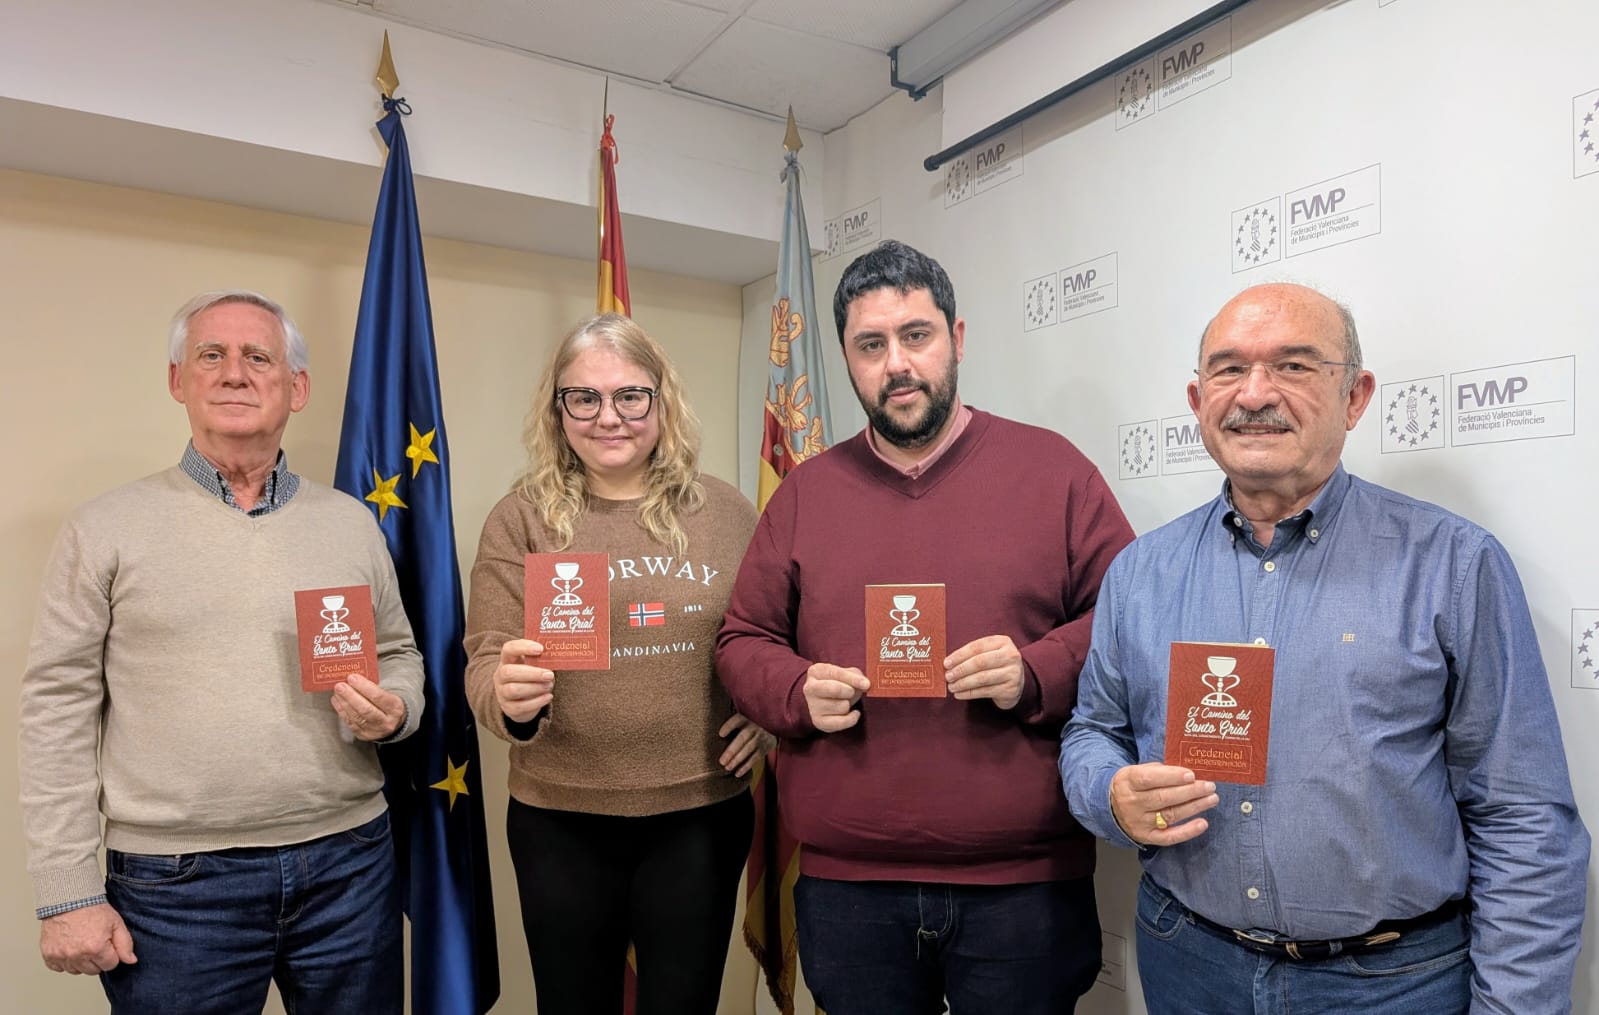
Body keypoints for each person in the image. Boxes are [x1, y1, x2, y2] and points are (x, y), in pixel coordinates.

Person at [1059, 282, 1590, 1015]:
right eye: (1227, 369)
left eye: (1293, 365)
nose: (1254, 394)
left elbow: (1522, 817)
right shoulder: (1139, 572)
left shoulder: (1453, 564)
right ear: (1196, 400)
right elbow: (1092, 731)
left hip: (1391, 984)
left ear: (1354, 396)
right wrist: (1109, 796)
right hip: (1188, 962)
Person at [715, 240, 1134, 1014]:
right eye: (870, 345)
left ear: (956, 337)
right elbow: (742, 640)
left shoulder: (1054, 472)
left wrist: (1034, 670)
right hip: (847, 887)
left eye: (916, 335)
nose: (897, 364)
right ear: (846, 358)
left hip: (1023, 888)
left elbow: (1126, 624)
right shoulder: (804, 494)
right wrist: (795, 689)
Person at [19, 290, 424, 1014]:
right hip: (174, 888)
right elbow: (55, 713)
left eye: (258, 357)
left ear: (296, 387)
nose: (235, 372)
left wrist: (396, 709)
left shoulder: (350, 523)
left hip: (350, 863)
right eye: (212, 354)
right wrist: (66, 893)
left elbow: (397, 652)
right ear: (179, 380)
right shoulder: (103, 527)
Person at [463, 312, 766, 1015]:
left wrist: (764, 713)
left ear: (662, 401)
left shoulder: (726, 512)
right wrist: (503, 694)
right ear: (557, 409)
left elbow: (769, 638)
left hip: (700, 813)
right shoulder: (521, 518)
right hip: (560, 819)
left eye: (630, 395)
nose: (609, 416)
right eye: (585, 397)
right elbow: (485, 654)